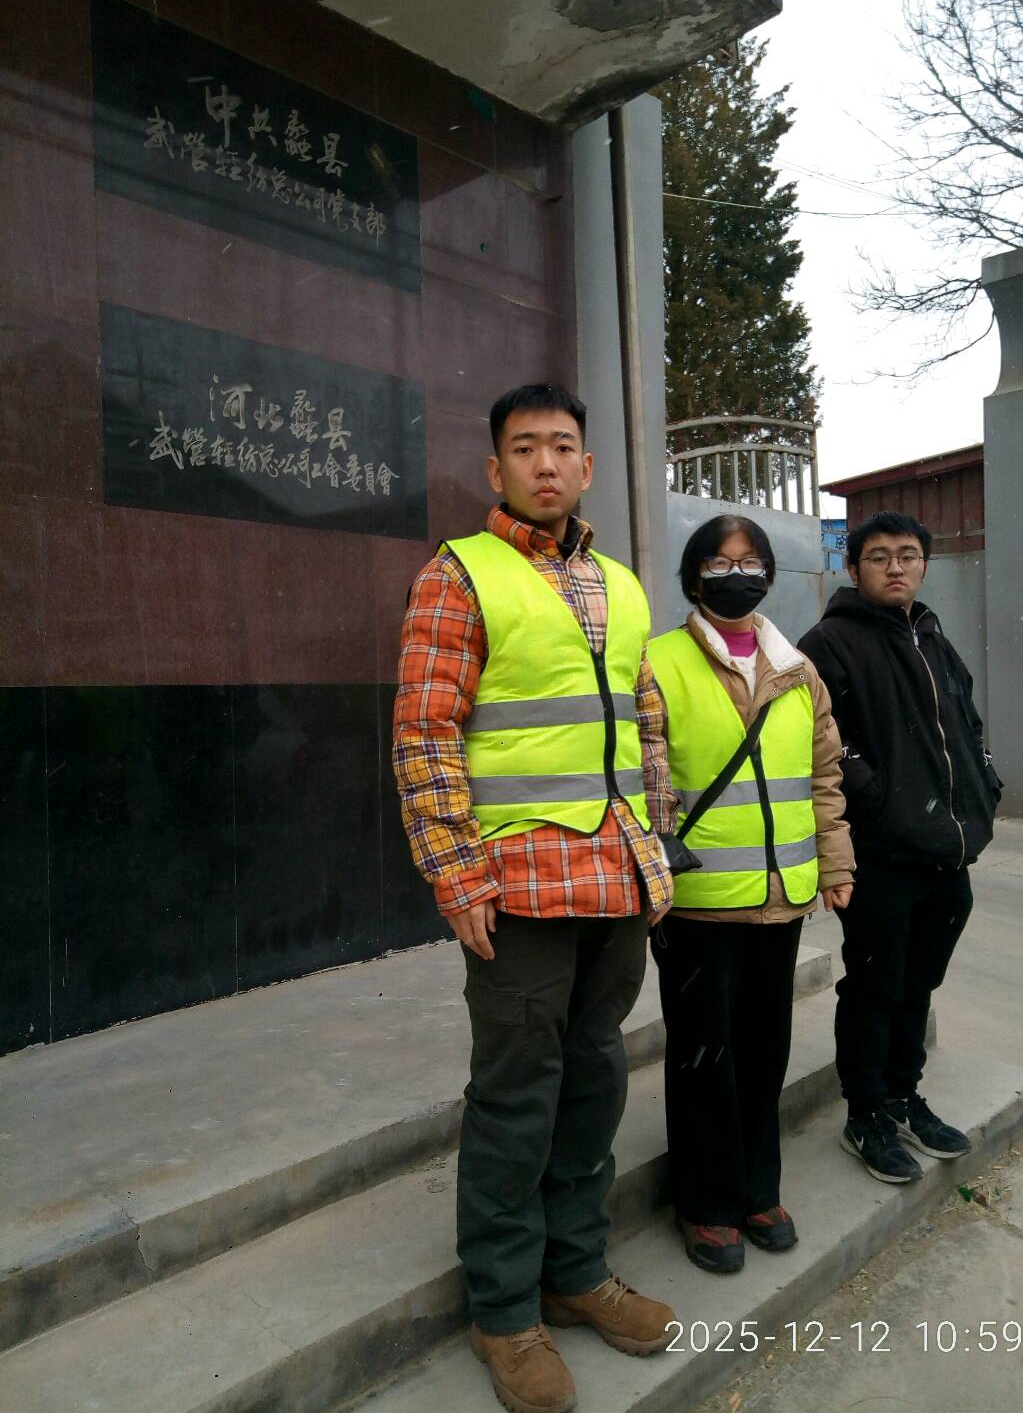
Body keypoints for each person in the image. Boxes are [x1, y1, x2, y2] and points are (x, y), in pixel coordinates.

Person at [393, 384, 678, 1413]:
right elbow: (425, 731)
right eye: (525, 449)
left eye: (562, 447)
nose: (546, 464)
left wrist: (654, 850)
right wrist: (455, 871)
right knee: (517, 1101)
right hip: (515, 891)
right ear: (496, 470)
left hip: (615, 882)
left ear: (587, 467)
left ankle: (575, 1271)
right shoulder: (460, 574)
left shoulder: (621, 584)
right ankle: (505, 1310)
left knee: (594, 1085)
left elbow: (644, 725)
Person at [647, 514, 854, 1274]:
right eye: (719, 562)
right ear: (692, 575)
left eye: (749, 562)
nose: (736, 575)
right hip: (696, 901)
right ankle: (706, 1201)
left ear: (768, 574)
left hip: (780, 896)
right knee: (704, 1054)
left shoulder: (796, 668)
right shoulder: (658, 662)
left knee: (765, 1049)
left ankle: (758, 1188)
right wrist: (652, 874)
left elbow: (824, 776)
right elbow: (645, 776)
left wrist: (835, 865)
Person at [798, 511, 1002, 1184]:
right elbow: (819, 740)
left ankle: (904, 1095)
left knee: (918, 984)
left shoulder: (934, 638)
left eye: (908, 555)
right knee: (875, 986)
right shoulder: (829, 643)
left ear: (923, 565)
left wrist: (986, 782)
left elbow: (967, 722)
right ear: (853, 567)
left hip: (946, 850)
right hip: (880, 855)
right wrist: (880, 798)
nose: (895, 567)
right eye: (879, 556)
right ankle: (866, 1114)